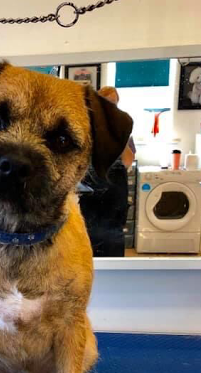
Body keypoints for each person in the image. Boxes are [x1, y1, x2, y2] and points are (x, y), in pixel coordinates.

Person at [80, 86, 135, 257]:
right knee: (88, 234)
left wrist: (119, 135)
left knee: (114, 236)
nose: (111, 109)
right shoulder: (86, 129)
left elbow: (127, 162)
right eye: (107, 104)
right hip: (91, 194)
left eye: (114, 104)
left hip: (114, 198)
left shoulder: (123, 129)